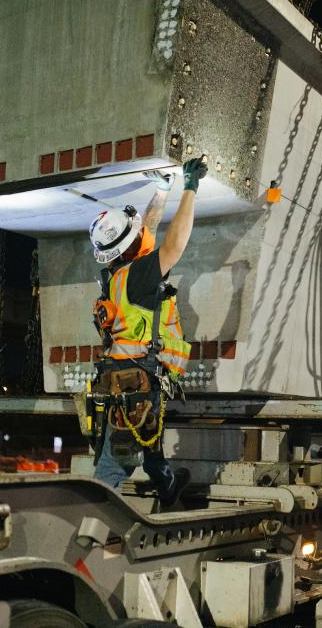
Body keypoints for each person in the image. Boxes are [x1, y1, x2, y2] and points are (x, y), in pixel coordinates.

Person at [87, 158, 207, 506]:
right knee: (114, 465)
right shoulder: (138, 275)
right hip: (135, 379)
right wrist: (189, 188)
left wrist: (161, 191)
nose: (142, 230)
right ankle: (88, 532)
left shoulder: (116, 275)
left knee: (145, 435)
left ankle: (168, 485)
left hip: (125, 377)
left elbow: (144, 234)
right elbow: (173, 246)